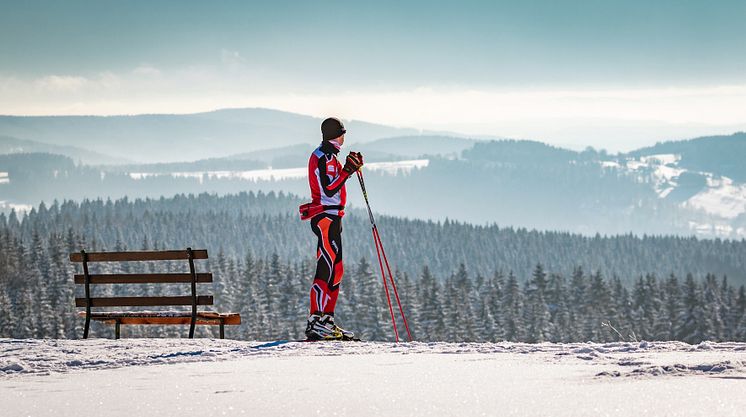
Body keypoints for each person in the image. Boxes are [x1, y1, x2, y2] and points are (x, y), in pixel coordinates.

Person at [303, 117, 363, 340]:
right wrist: (347, 171)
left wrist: (348, 168)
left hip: (334, 216)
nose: (343, 138)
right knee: (326, 267)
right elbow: (329, 190)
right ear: (335, 135)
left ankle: (327, 319)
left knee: (337, 269)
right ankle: (315, 320)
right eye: (342, 134)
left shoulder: (329, 156)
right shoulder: (323, 157)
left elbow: (334, 182)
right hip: (326, 216)